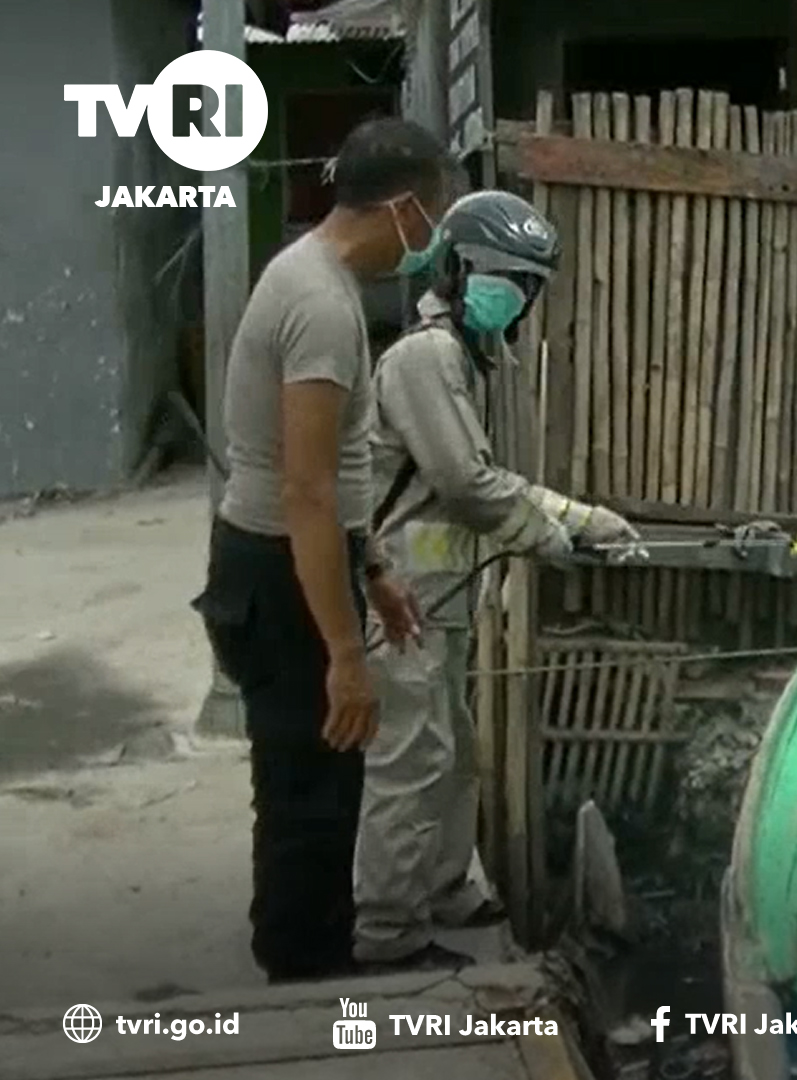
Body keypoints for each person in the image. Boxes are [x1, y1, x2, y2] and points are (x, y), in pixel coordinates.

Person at [191, 117, 450, 984]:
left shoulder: (314, 280)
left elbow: (333, 480)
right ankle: (305, 985)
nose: (427, 242)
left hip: (289, 554)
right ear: (403, 207)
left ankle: (312, 958)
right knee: (311, 790)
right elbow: (305, 489)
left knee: (324, 781)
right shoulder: (321, 304)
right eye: (432, 218)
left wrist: (371, 568)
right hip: (278, 566)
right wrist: (343, 652)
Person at [353, 190, 640, 972]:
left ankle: (445, 890)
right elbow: (465, 484)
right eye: (503, 278)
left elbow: (487, 474)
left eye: (526, 284)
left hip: (439, 599)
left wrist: (583, 516)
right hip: (403, 599)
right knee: (410, 761)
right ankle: (386, 932)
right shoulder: (425, 357)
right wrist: (551, 536)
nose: (515, 297)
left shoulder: (466, 359)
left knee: (452, 753)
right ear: (457, 269)